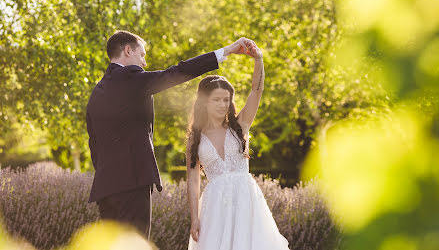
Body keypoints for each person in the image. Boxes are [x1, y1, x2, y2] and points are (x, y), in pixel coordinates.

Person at [86, 30, 250, 239]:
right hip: (132, 185)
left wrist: (110, 174)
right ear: (128, 51)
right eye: (142, 55)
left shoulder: (97, 92)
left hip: (106, 189)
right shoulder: (130, 79)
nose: (144, 63)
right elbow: (177, 72)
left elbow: (94, 145)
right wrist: (225, 51)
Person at [186, 40, 290, 250]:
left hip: (247, 201)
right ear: (204, 101)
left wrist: (258, 59)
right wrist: (194, 218)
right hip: (216, 207)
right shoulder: (195, 137)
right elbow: (193, 181)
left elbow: (256, 91)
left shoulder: (239, 126)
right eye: (217, 100)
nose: (223, 105)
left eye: (226, 100)